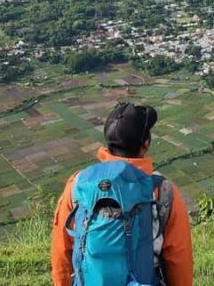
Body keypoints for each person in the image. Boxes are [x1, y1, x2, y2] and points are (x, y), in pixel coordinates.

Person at [51, 102, 194, 286]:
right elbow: (178, 259)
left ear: (108, 144)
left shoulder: (78, 184)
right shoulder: (163, 191)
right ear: (146, 143)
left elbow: (62, 251)